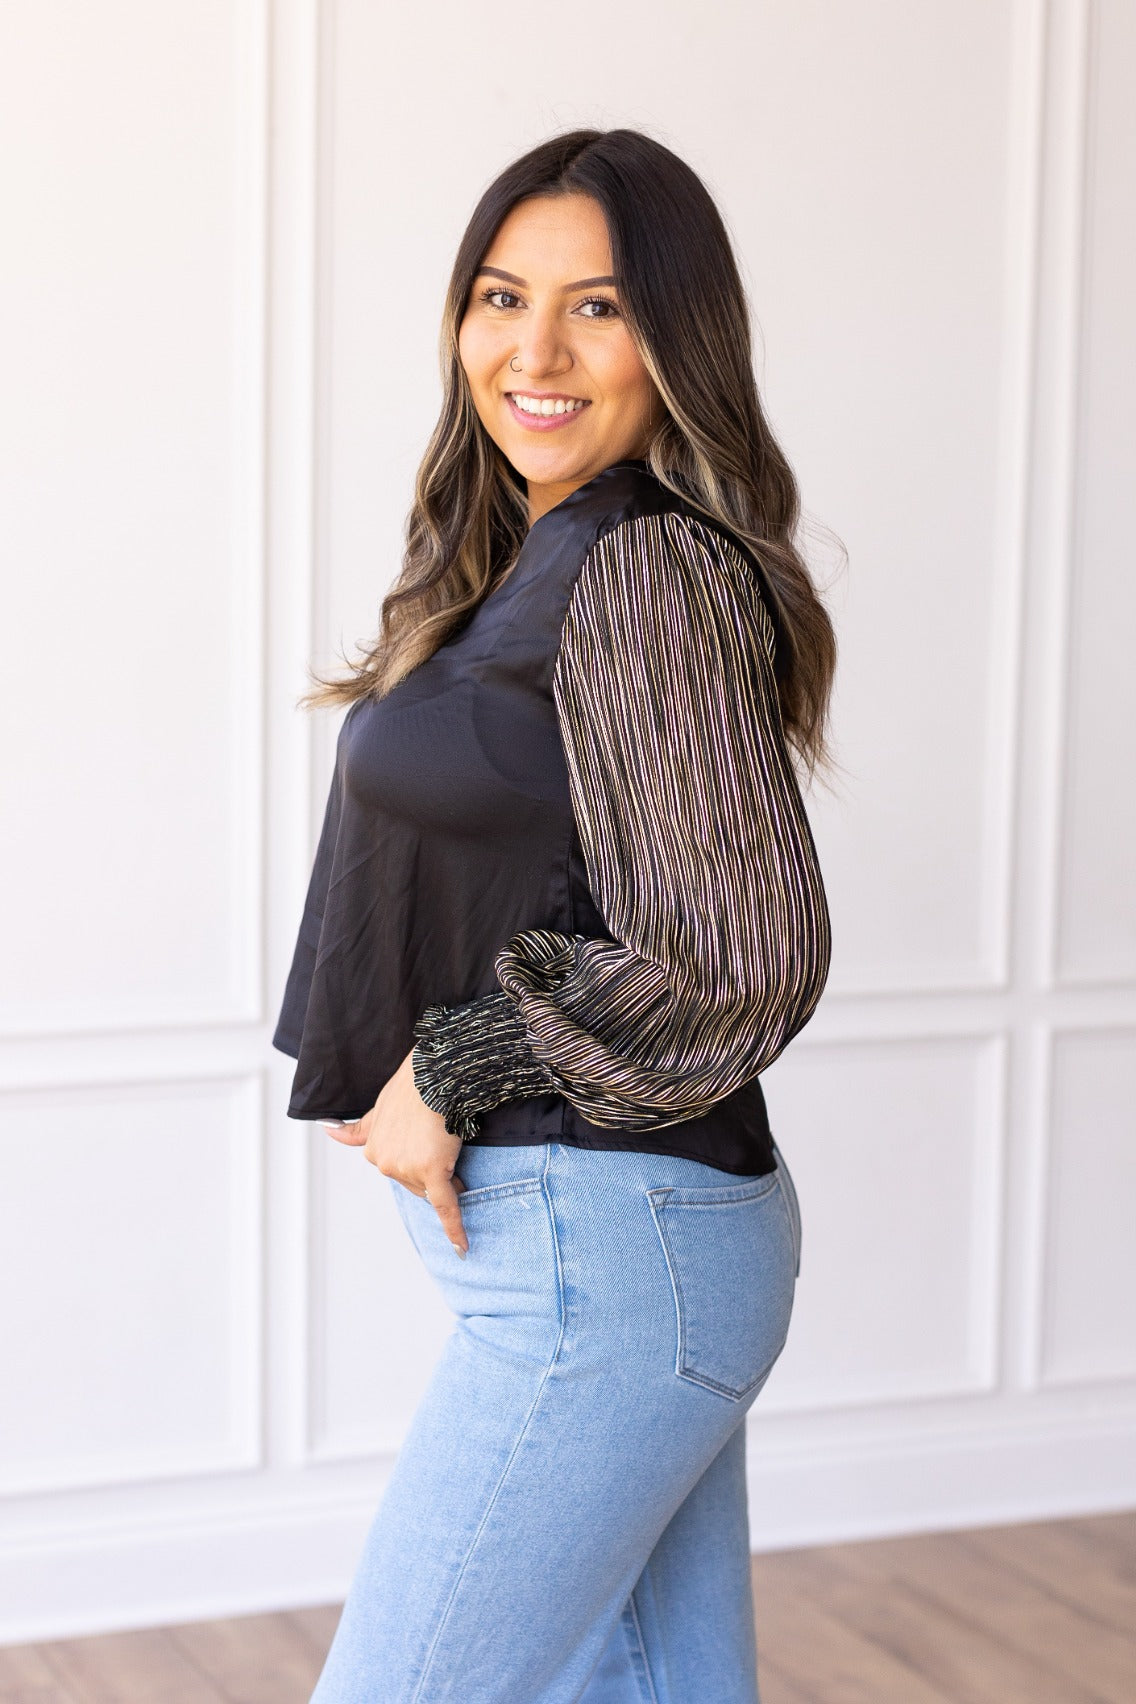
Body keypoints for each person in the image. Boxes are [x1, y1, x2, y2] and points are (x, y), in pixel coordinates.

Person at [273, 126, 836, 1704]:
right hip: (605, 1250)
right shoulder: (529, 560)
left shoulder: (642, 568)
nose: (534, 351)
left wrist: (448, 1064)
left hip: (610, 1265)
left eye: (598, 306)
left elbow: (739, 955)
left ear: (677, 338)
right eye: (501, 297)